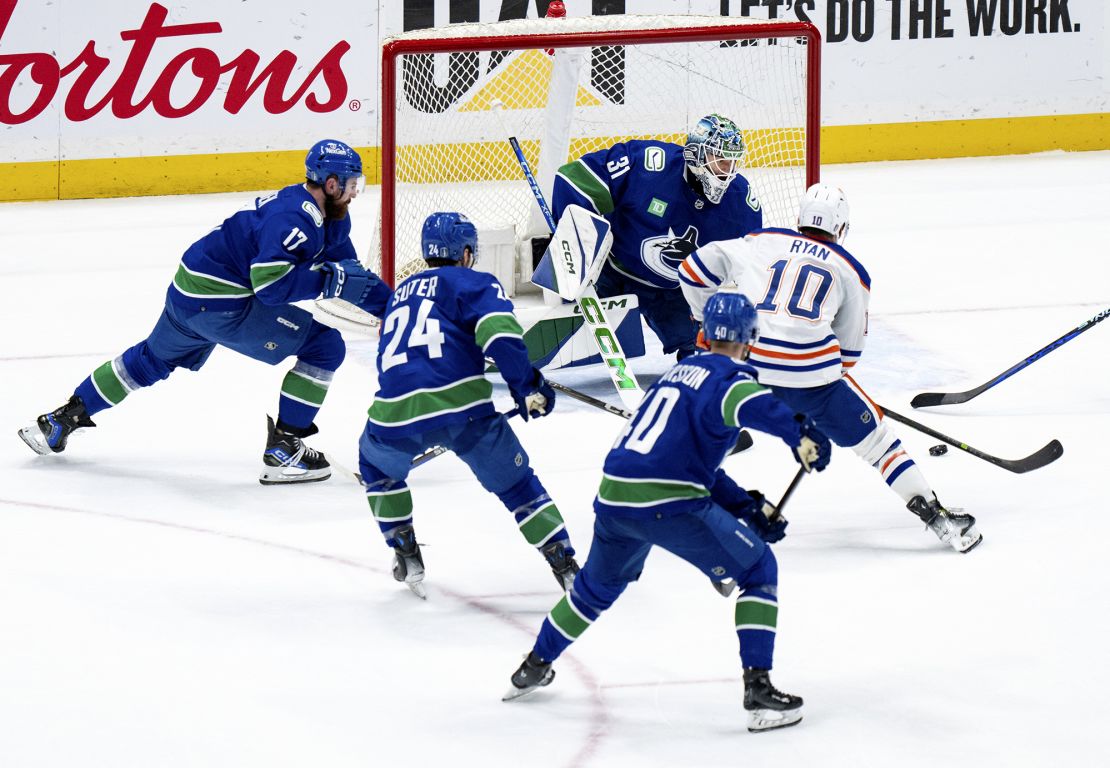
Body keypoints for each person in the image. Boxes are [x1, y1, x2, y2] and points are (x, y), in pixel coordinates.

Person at [503, 289, 831, 733]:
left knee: (593, 590)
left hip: (615, 497)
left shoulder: (676, 375)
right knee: (759, 569)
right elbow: (755, 406)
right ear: (750, 338)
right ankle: (758, 690)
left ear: (703, 333)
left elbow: (694, 466)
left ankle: (534, 665)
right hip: (667, 502)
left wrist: (749, 507)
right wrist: (800, 432)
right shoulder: (730, 378)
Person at [17, 139, 389, 485]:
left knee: (149, 360)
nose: (357, 191)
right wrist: (327, 283)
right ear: (330, 183)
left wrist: (394, 310)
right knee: (324, 347)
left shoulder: (326, 216)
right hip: (221, 304)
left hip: (187, 293)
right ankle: (285, 449)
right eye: (352, 183)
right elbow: (272, 288)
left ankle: (61, 420)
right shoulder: (294, 220)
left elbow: (353, 275)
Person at [679, 183, 982, 553]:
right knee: (878, 444)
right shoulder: (852, 271)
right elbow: (850, 353)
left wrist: (704, 321)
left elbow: (692, 271)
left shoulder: (761, 240)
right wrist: (820, 384)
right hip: (813, 379)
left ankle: (679, 506)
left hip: (747, 367)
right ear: (841, 228)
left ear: (799, 219)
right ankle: (939, 519)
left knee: (703, 433)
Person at [358, 212, 580, 599]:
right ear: (465, 253)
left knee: (376, 467)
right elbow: (500, 336)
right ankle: (563, 561)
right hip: (463, 411)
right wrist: (525, 385)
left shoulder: (399, 294)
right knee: (518, 487)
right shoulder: (474, 282)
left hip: (391, 414)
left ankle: (405, 551)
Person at [549, 113, 763, 360]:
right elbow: (574, 179)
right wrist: (575, 247)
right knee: (563, 345)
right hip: (608, 272)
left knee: (702, 352)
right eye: (721, 161)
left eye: (733, 163)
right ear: (695, 154)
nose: (727, 172)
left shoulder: (740, 201)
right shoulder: (650, 165)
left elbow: (754, 265)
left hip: (672, 292)